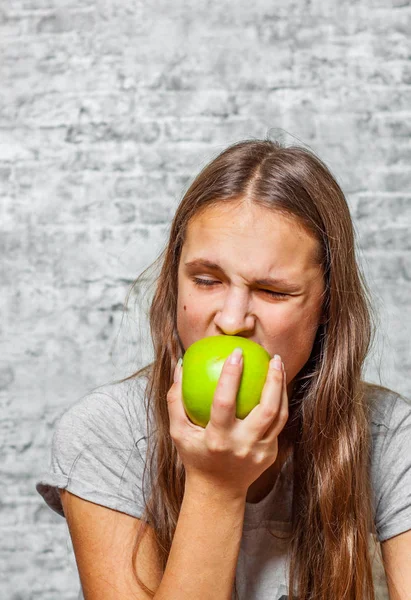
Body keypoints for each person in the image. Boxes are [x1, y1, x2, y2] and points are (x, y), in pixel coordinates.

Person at [36, 138, 411, 600]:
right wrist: (216, 487)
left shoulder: (393, 439)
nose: (232, 320)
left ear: (328, 305)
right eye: (207, 280)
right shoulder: (106, 433)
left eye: (273, 291)